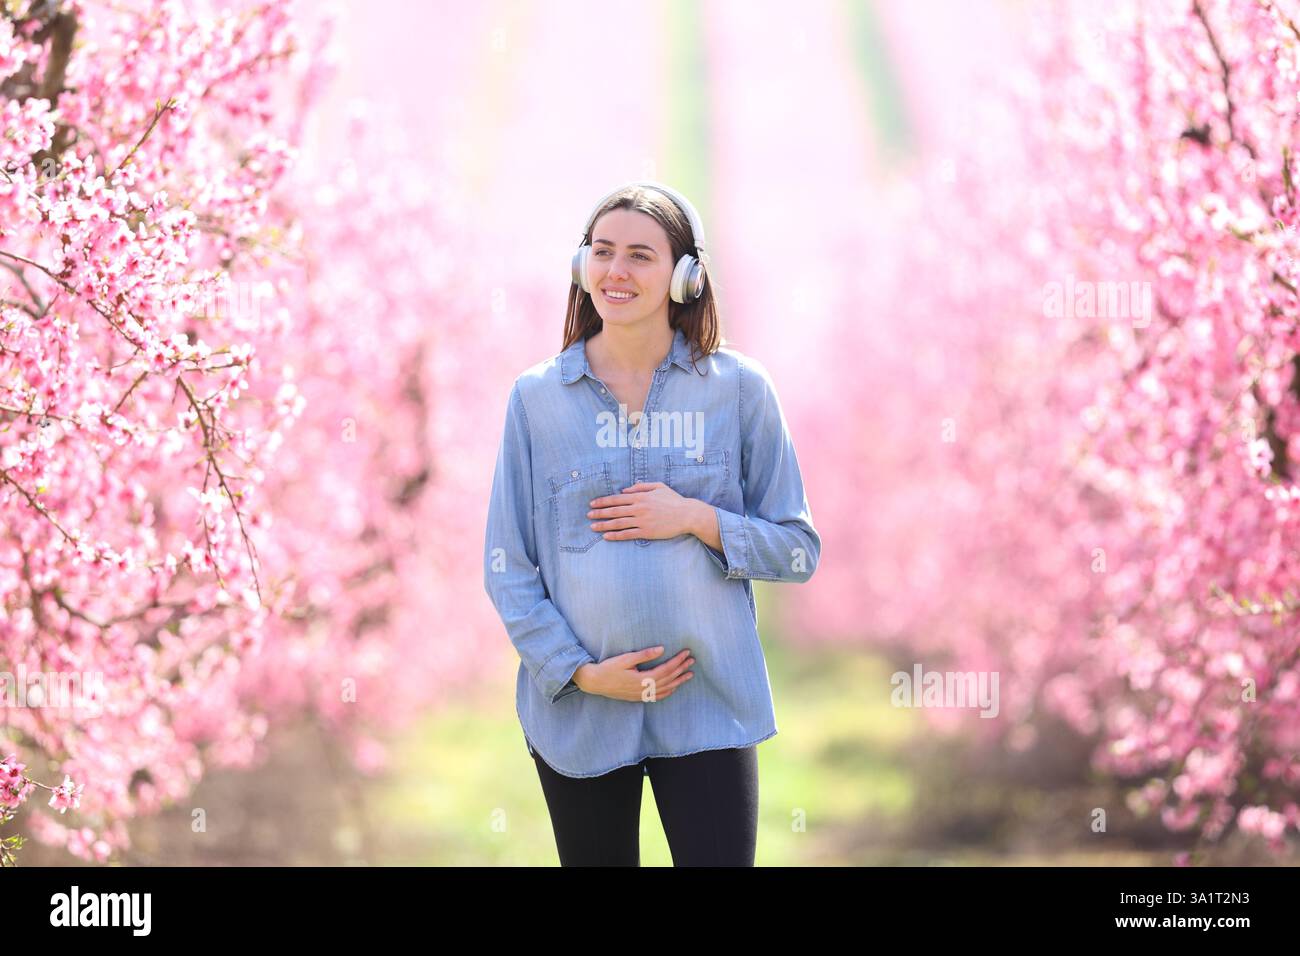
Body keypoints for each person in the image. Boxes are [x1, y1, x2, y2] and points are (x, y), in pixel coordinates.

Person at [483, 181, 820, 866]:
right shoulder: (537, 400)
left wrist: (698, 518)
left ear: (685, 276)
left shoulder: (741, 391)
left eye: (641, 255)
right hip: (581, 713)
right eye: (603, 252)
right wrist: (579, 673)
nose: (617, 271)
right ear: (582, 267)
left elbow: (797, 551)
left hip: (709, 705)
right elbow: (506, 565)